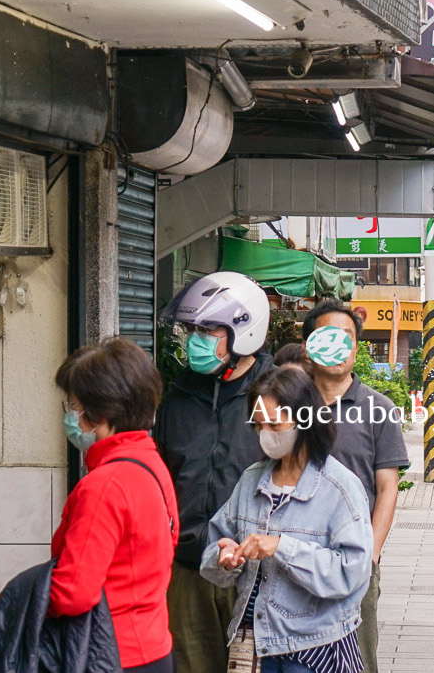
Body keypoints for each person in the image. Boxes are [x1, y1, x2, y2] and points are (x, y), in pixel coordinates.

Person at [203, 364, 373, 673]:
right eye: (258, 425)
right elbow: (216, 544)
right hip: (253, 644)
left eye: (274, 425)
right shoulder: (250, 481)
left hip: (315, 649)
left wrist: (281, 547)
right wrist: (224, 556)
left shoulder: (340, 488)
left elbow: (352, 574)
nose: (264, 435)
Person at [155, 272, 275, 673]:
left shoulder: (278, 398)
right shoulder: (177, 399)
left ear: (245, 331)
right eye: (193, 329)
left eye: (208, 329)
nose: (196, 340)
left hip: (259, 574)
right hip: (189, 570)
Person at [49, 337, 178, 673]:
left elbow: (73, 592)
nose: (72, 416)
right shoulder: (151, 463)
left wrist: (18, 602)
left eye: (75, 406)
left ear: (101, 413)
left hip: (112, 654)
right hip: (153, 647)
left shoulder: (105, 484)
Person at [300, 299, 410, 673]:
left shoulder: (379, 409)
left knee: (357, 661)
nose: (338, 345)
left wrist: (371, 555)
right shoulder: (285, 407)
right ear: (308, 346)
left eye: (347, 337)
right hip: (292, 557)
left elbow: (387, 488)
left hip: (352, 560)